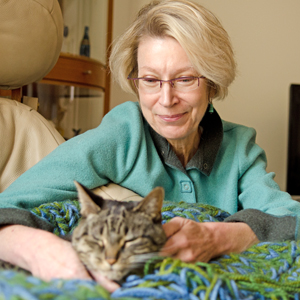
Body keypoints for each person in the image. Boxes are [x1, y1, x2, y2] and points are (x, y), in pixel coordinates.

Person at [0, 0, 299, 293]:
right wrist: (39, 250)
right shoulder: (121, 134)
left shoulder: (239, 147)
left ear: (212, 81)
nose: (166, 99)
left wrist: (220, 238)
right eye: (151, 79)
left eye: (184, 78)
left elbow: (291, 220)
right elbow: (7, 207)